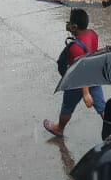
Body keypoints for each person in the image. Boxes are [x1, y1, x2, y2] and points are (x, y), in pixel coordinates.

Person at [43, 8, 104, 138]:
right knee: (101, 107)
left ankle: (59, 128)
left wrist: (86, 93)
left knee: (67, 106)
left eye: (69, 23)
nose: (67, 25)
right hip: (94, 78)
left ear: (75, 27)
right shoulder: (93, 34)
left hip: (77, 82)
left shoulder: (76, 48)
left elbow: (82, 70)